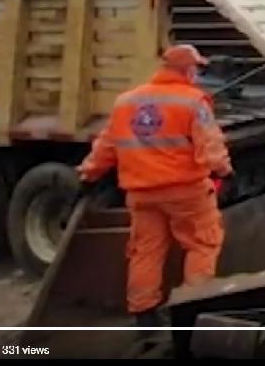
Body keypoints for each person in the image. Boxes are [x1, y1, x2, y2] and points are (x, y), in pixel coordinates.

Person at [77, 44, 231, 325]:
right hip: (186, 191)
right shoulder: (193, 101)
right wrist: (224, 170)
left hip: (141, 193)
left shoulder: (126, 102)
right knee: (202, 243)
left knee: (146, 250)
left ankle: (143, 313)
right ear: (188, 69)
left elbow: (107, 145)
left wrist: (89, 175)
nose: (197, 73)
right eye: (196, 68)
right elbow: (209, 143)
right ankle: (190, 310)